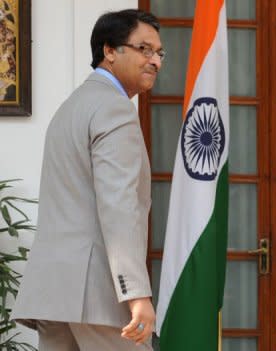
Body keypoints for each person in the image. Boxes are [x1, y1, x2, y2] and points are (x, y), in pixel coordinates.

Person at [13, 9, 165, 350]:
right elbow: (119, 205)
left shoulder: (71, 106)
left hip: (53, 293)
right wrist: (137, 293)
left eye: (159, 52)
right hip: (96, 295)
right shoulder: (113, 108)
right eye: (145, 49)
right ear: (109, 51)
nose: (155, 60)